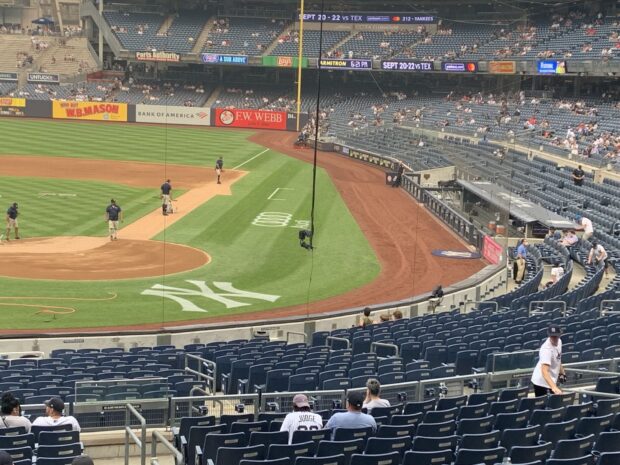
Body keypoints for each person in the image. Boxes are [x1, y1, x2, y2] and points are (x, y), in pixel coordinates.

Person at [531, 325, 566, 396]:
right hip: (541, 382)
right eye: (552, 336)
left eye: (556, 336)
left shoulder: (559, 342)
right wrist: (554, 387)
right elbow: (544, 371)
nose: (554, 338)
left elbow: (558, 358)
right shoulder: (546, 349)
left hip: (552, 379)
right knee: (543, 404)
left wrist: (562, 372)